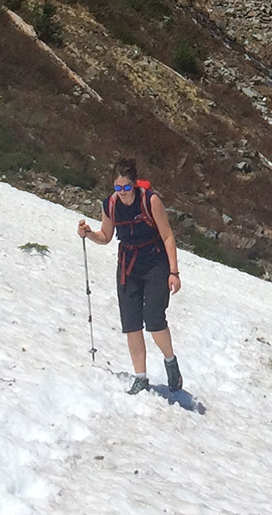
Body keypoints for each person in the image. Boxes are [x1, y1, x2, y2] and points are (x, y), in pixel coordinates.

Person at [77, 157, 183, 394]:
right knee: (131, 323)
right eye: (118, 188)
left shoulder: (150, 201)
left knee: (154, 319)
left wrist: (174, 272)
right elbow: (105, 236)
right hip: (128, 266)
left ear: (134, 184)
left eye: (126, 187)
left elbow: (167, 236)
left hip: (155, 263)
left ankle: (170, 361)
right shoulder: (110, 205)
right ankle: (140, 376)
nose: (122, 193)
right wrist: (89, 234)